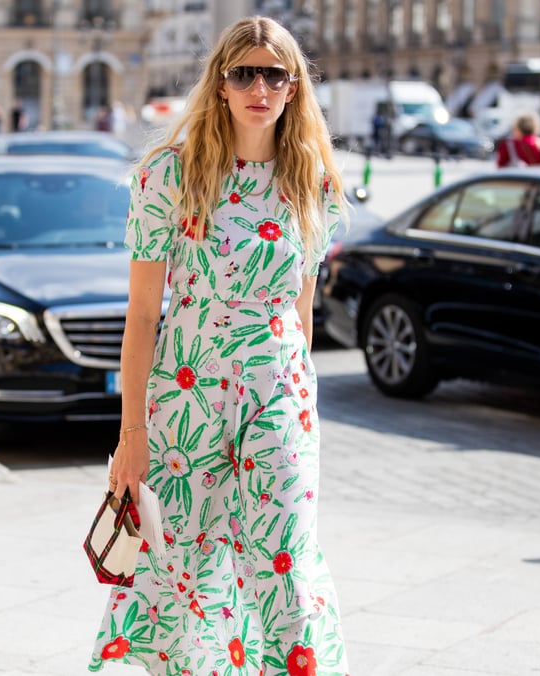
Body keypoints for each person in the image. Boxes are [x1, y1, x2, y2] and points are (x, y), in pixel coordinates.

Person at [90, 15, 350, 676]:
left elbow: (301, 309)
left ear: (294, 88)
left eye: (274, 74)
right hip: (188, 397)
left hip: (277, 399)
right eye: (244, 73)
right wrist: (131, 432)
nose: (259, 86)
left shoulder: (311, 181)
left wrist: (299, 398)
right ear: (222, 83)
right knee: (184, 566)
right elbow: (144, 314)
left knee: (284, 558)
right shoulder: (169, 177)